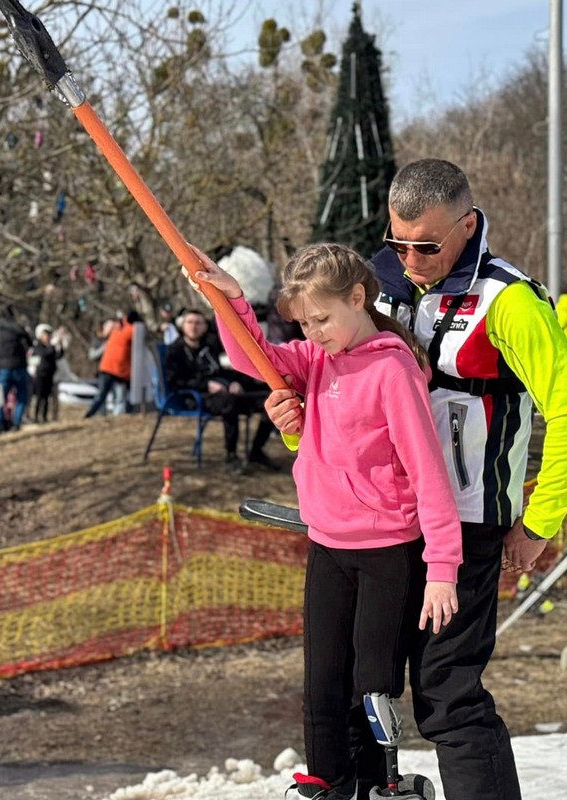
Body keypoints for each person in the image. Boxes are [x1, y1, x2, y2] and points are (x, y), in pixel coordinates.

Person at [265, 159, 567, 800]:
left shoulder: (509, 301)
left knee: (446, 693)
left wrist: (537, 523)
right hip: (384, 523)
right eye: (398, 242)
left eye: (427, 245)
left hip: (467, 523)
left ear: (467, 226)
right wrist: (294, 423)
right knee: (363, 681)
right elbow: (334, 396)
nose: (410, 258)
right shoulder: (372, 283)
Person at [189, 242, 462, 800]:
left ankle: (379, 781)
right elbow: (250, 357)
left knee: (371, 683)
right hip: (328, 545)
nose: (313, 332)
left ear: (357, 298)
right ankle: (328, 784)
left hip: (387, 551)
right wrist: (229, 298)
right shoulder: (315, 360)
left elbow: (429, 473)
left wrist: (442, 568)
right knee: (321, 682)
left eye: (322, 318)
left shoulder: (391, 368)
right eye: (305, 322)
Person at [164, 309, 278, 471]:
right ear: (182, 325)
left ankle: (256, 451)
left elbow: (228, 367)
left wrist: (235, 382)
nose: (194, 327)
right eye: (190, 322)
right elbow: (175, 381)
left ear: (205, 326)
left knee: (270, 400)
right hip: (197, 397)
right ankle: (231, 455)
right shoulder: (175, 351)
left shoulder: (212, 346)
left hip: (225, 392)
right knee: (229, 403)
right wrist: (206, 385)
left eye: (198, 323)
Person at [0, 305, 32, 432]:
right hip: (19, 366)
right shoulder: (17, 328)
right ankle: (16, 423)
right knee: (22, 397)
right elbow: (29, 343)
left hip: (3, 369)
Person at [84, 313, 135, 418]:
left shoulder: (117, 333)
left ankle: (92, 415)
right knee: (107, 395)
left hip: (113, 369)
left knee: (112, 395)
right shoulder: (127, 331)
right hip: (116, 370)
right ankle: (95, 414)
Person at [30, 324, 63, 423]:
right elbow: (44, 354)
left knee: (47, 398)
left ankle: (44, 417)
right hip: (40, 375)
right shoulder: (38, 346)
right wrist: (53, 347)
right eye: (45, 335)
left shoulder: (51, 347)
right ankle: (36, 416)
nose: (47, 337)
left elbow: (58, 356)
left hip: (50, 374)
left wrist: (60, 346)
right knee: (39, 397)